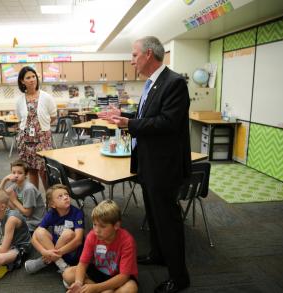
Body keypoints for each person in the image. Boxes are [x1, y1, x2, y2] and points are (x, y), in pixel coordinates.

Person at [109, 36, 192, 293]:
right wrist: (125, 117)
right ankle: (158, 254)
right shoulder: (151, 84)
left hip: (164, 167)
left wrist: (129, 125)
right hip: (148, 163)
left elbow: (167, 123)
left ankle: (179, 278)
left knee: (168, 220)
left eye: (134, 55)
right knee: (154, 217)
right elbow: (148, 117)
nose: (131, 60)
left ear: (148, 54)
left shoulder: (174, 83)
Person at [62, 200, 138, 293]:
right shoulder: (92, 236)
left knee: (130, 288)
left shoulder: (127, 241)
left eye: (102, 226)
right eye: (94, 224)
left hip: (117, 276)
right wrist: (78, 283)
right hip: (98, 271)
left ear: (116, 225)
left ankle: (97, 289)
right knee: (67, 274)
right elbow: (83, 263)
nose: (97, 230)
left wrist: (96, 288)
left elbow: (123, 276)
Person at [24, 184, 84, 275]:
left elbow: (78, 240)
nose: (65, 197)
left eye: (66, 194)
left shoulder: (77, 213)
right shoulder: (51, 214)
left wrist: (56, 253)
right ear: (53, 204)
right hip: (54, 250)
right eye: (60, 196)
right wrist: (43, 251)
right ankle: (62, 265)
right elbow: (33, 238)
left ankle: (45, 261)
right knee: (39, 232)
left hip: (71, 252)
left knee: (68, 233)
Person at [16, 66, 57, 189]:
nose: (32, 79)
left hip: (42, 138)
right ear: (22, 81)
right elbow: (21, 118)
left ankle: (50, 200)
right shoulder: (19, 100)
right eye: (28, 77)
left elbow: (53, 116)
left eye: (33, 76)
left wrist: (41, 127)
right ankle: (36, 200)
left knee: (44, 170)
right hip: (26, 140)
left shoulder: (46, 97)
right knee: (31, 170)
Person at [0, 160, 45, 233]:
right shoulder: (16, 185)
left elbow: (28, 213)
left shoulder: (28, 189)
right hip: (24, 217)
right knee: (1, 202)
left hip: (34, 223)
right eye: (13, 173)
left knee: (6, 222)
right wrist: (5, 180)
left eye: (20, 173)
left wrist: (14, 200)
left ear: (26, 175)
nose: (16, 175)